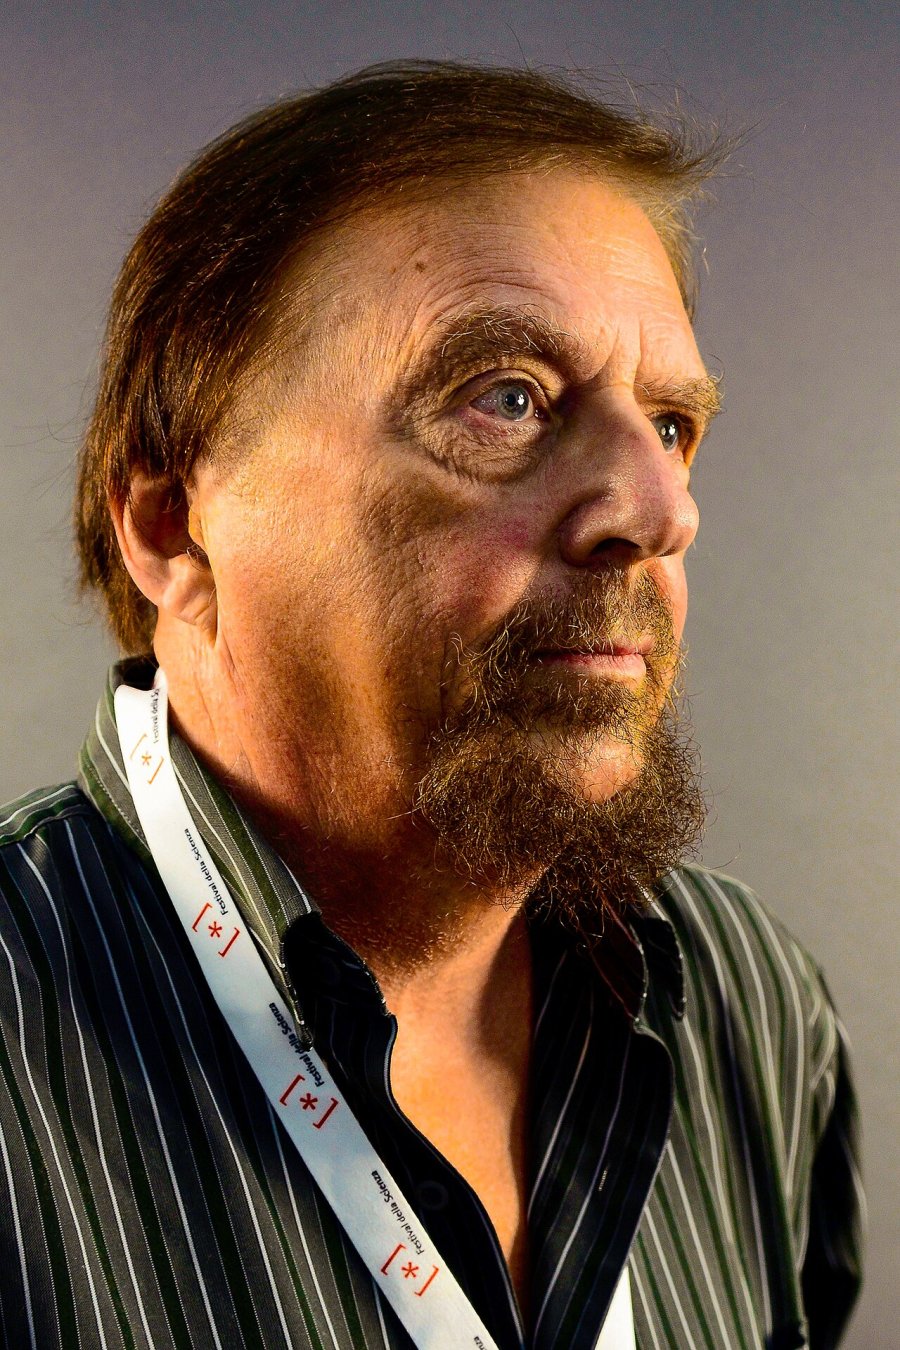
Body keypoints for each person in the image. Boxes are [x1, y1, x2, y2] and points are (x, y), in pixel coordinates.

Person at [0, 62, 862, 1350]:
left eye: (673, 426)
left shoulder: (754, 1005)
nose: (659, 510)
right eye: (506, 398)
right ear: (176, 527)